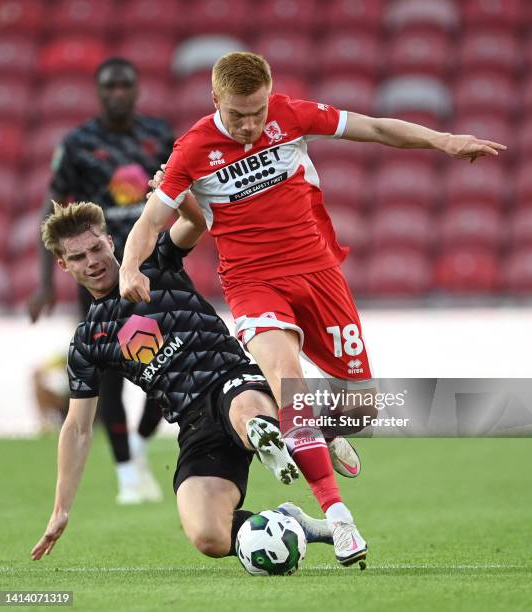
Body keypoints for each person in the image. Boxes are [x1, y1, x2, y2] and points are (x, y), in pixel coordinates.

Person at [119, 52, 507, 566]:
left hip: (318, 273)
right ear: (215, 101)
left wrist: (444, 141)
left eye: (256, 111)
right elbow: (149, 223)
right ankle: (339, 521)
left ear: (269, 97)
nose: (250, 124)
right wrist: (129, 267)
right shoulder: (193, 149)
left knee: (362, 408)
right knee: (287, 379)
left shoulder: (291, 115)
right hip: (252, 282)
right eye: (237, 114)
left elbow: (374, 128)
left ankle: (314, 434)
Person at [31, 200, 338, 563]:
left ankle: (272, 433)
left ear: (111, 241)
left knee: (247, 416)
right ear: (64, 266)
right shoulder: (88, 340)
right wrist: (60, 509)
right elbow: (78, 429)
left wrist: (178, 194)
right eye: (79, 257)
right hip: (194, 425)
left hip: (234, 381)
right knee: (209, 536)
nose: (93, 261)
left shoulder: (154, 261)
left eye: (96, 248)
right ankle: (294, 521)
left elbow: (195, 220)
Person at [28, 57, 179, 504]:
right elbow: (51, 210)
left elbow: (182, 192)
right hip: (99, 270)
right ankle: (128, 475)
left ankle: (139, 443)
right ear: (99, 92)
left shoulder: (158, 136)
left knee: (168, 362)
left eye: (124, 86)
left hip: (155, 265)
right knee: (108, 369)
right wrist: (45, 281)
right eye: (109, 86)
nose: (117, 93)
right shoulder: (78, 144)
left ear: (136, 90)